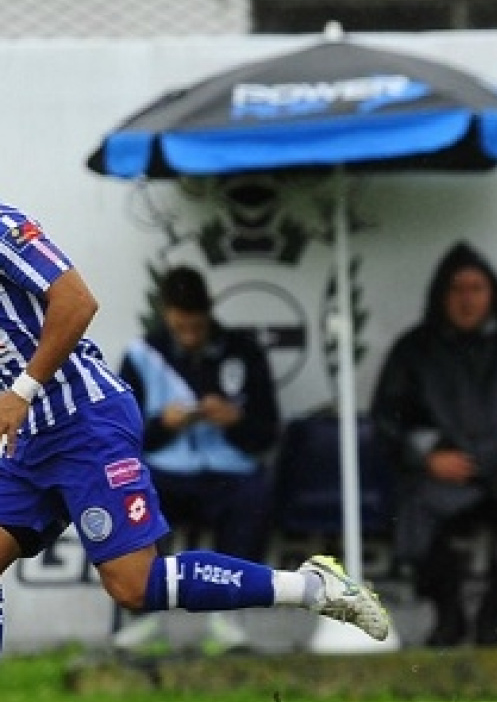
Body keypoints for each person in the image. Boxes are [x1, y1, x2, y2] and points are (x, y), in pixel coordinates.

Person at [0, 199, 390, 656]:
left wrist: (22, 390)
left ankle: (311, 588)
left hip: (83, 421)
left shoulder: (5, 227)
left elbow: (77, 302)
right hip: (26, 439)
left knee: (133, 585)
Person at [371, 241, 497, 647]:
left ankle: (493, 611)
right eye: (456, 289)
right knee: (414, 514)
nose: (466, 300)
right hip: (445, 479)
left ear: (492, 293)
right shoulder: (414, 350)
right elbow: (389, 415)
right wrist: (427, 456)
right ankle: (448, 616)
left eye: (476, 288)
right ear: (440, 294)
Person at [112, 265, 281, 653]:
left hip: (229, 471)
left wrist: (235, 421)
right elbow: (121, 437)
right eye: (181, 328)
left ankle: (228, 617)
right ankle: (142, 617)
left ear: (209, 313)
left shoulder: (244, 350)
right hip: (164, 471)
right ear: (166, 314)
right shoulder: (141, 354)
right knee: (132, 497)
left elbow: (268, 431)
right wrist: (163, 424)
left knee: (254, 494)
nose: (189, 336)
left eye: (197, 328)